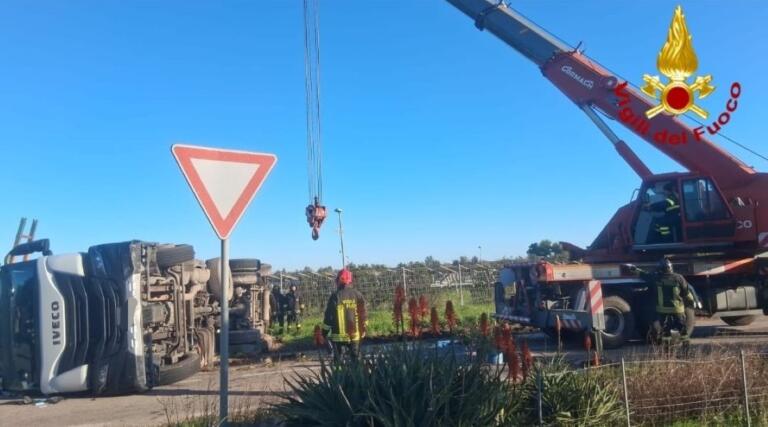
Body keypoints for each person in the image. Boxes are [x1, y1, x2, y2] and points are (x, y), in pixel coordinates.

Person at [632, 258, 694, 345]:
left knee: (665, 332)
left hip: (663, 311)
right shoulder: (679, 278)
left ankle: (667, 352)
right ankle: (686, 350)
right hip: (678, 310)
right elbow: (686, 293)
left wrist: (635, 270)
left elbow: (645, 275)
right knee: (683, 332)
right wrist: (692, 301)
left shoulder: (657, 278)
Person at [322, 268, 367, 362]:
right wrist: (363, 329)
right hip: (354, 336)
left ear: (338, 280)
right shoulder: (357, 295)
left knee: (338, 362)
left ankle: (338, 376)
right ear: (350, 281)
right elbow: (363, 314)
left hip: (338, 337)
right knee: (356, 360)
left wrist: (324, 332)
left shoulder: (335, 296)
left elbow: (329, 317)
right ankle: (357, 375)